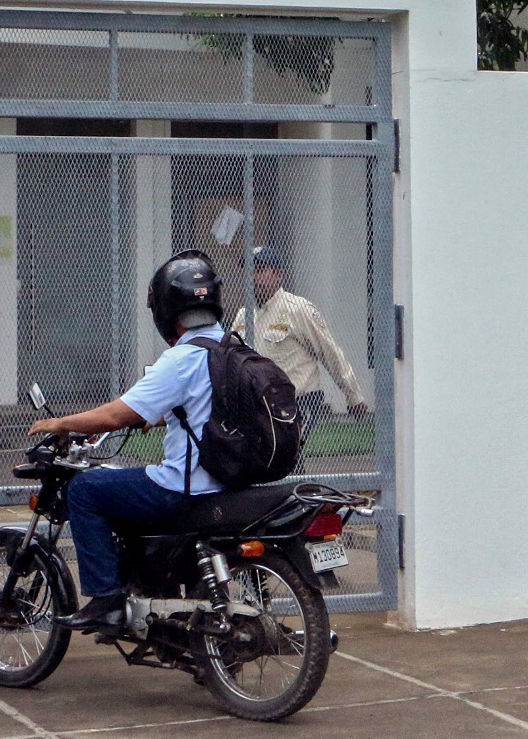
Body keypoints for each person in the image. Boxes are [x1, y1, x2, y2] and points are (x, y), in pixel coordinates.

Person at [27, 249, 226, 632]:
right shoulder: (231, 347)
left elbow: (117, 413)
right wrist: (158, 416)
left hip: (186, 488)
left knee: (86, 490)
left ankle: (107, 601)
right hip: (228, 482)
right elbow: (205, 405)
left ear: (166, 309)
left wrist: (63, 423)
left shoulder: (181, 359)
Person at [231, 246, 369, 447]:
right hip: (259, 406)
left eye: (260, 270)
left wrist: (353, 396)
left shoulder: (298, 309)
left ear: (278, 275)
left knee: (288, 457)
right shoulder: (244, 315)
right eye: (249, 271)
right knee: (266, 463)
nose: (253, 277)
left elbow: (330, 353)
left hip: (298, 402)